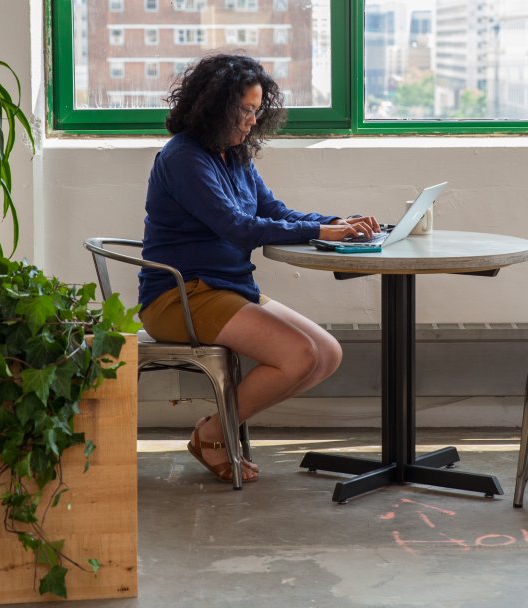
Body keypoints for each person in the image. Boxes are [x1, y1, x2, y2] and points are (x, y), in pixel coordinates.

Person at [139, 52, 378, 483]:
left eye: (256, 110)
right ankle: (211, 433)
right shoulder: (184, 158)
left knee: (326, 354)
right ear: (217, 107)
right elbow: (239, 228)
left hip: (226, 288)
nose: (252, 121)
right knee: (299, 354)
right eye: (245, 110)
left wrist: (334, 223)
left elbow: (274, 210)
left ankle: (218, 428)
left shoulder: (234, 156)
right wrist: (326, 235)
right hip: (181, 295)